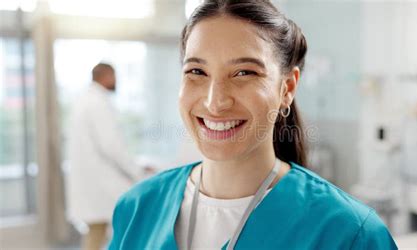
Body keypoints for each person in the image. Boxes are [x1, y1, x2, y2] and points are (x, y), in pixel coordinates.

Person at [108, 1, 398, 249]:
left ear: (287, 88)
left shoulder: (348, 234)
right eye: (197, 71)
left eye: (244, 72)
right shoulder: (137, 208)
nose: (215, 102)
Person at [66, 63, 143, 250]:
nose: (117, 81)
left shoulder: (84, 99)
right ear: (106, 76)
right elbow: (112, 146)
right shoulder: (97, 103)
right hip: (100, 183)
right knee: (111, 228)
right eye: (115, 76)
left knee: (97, 231)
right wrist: (136, 172)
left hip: (92, 182)